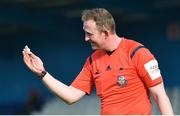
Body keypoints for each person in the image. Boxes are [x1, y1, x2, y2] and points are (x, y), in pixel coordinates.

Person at [22, 8, 174, 115]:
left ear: (106, 32)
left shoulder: (138, 53)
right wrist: (42, 73)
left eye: (89, 34)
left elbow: (160, 95)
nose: (86, 38)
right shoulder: (92, 61)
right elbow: (70, 96)